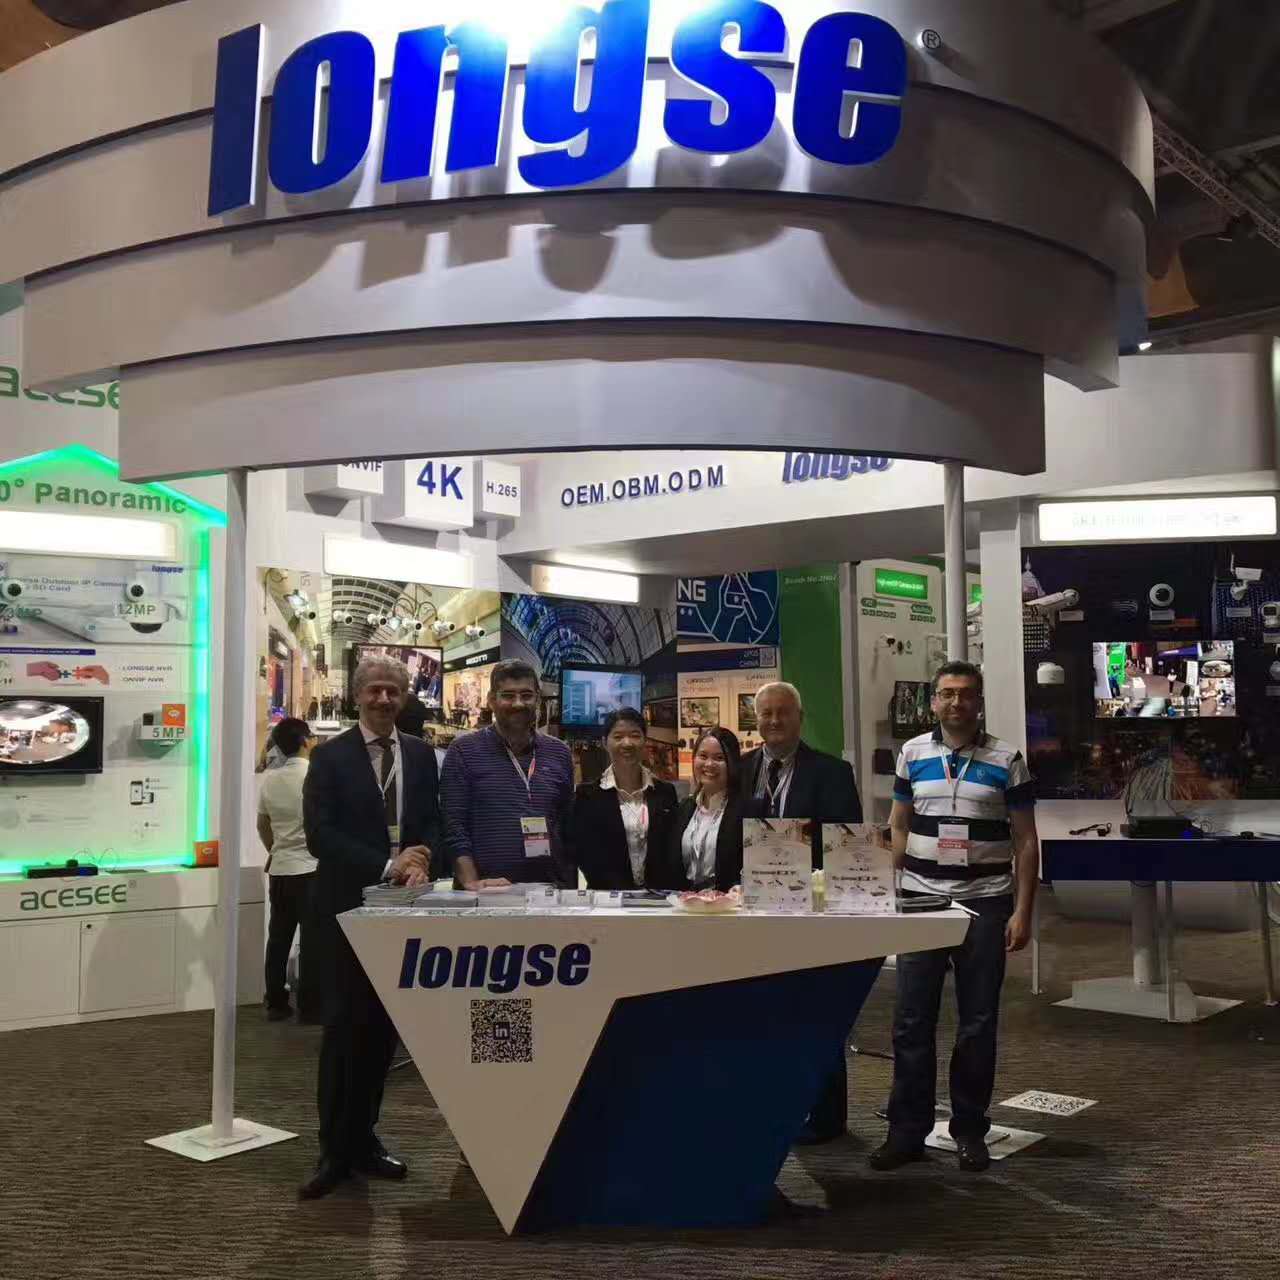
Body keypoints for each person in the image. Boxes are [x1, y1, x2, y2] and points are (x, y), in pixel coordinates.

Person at [872, 661, 1039, 1174]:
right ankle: (906, 1132)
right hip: (921, 900)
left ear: (978, 702)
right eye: (946, 694)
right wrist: (888, 886)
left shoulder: (1007, 759)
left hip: (985, 901)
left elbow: (1025, 840)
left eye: (966, 694)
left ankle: (969, 1130)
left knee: (978, 1022)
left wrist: (1023, 911)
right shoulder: (912, 754)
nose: (956, 703)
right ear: (933, 702)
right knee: (911, 1020)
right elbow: (899, 825)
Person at [300, 656, 441, 1200]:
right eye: (375, 690)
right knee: (342, 1031)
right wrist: (387, 864)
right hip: (345, 911)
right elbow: (320, 836)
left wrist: (424, 856)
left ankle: (364, 1141)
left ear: (404, 698)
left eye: (393, 691)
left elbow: (431, 821)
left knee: (382, 1032)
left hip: (403, 912)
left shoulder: (421, 755)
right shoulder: (330, 757)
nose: (384, 700)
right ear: (357, 695)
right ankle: (332, 1150)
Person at [740, 681, 863, 1143]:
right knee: (764, 1016)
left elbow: (846, 843)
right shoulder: (742, 769)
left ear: (800, 717)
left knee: (817, 1014)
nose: (774, 721)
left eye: (783, 712)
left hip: (811, 913)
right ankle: (774, 1106)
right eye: (766, 713)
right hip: (753, 912)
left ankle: (827, 1118)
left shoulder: (832, 772)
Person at [439, 660, 575, 889]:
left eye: (526, 695)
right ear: (491, 700)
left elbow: (566, 826)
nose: (518, 703)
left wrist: (567, 886)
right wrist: (472, 883)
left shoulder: (559, 752)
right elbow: (454, 826)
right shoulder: (463, 751)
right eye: (508, 695)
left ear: (537, 699)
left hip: (548, 891)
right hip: (485, 890)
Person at [569, 708, 679, 890]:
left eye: (635, 735)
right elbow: (583, 853)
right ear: (605, 742)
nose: (627, 743)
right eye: (618, 737)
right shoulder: (587, 796)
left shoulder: (665, 793)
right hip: (607, 900)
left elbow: (671, 851)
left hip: (658, 899)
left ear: (645, 741)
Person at [256, 717, 320, 1023]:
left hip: (280, 869)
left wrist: (276, 850)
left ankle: (276, 1002)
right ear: (306, 741)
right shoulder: (316, 777)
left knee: (279, 938)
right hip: (312, 869)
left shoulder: (270, 780)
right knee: (312, 939)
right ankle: (310, 1004)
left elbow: (263, 825)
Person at [650, 727, 747, 891]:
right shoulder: (684, 808)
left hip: (727, 903)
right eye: (703, 756)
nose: (709, 764)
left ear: (732, 763)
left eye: (719, 758)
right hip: (685, 902)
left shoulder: (746, 810)